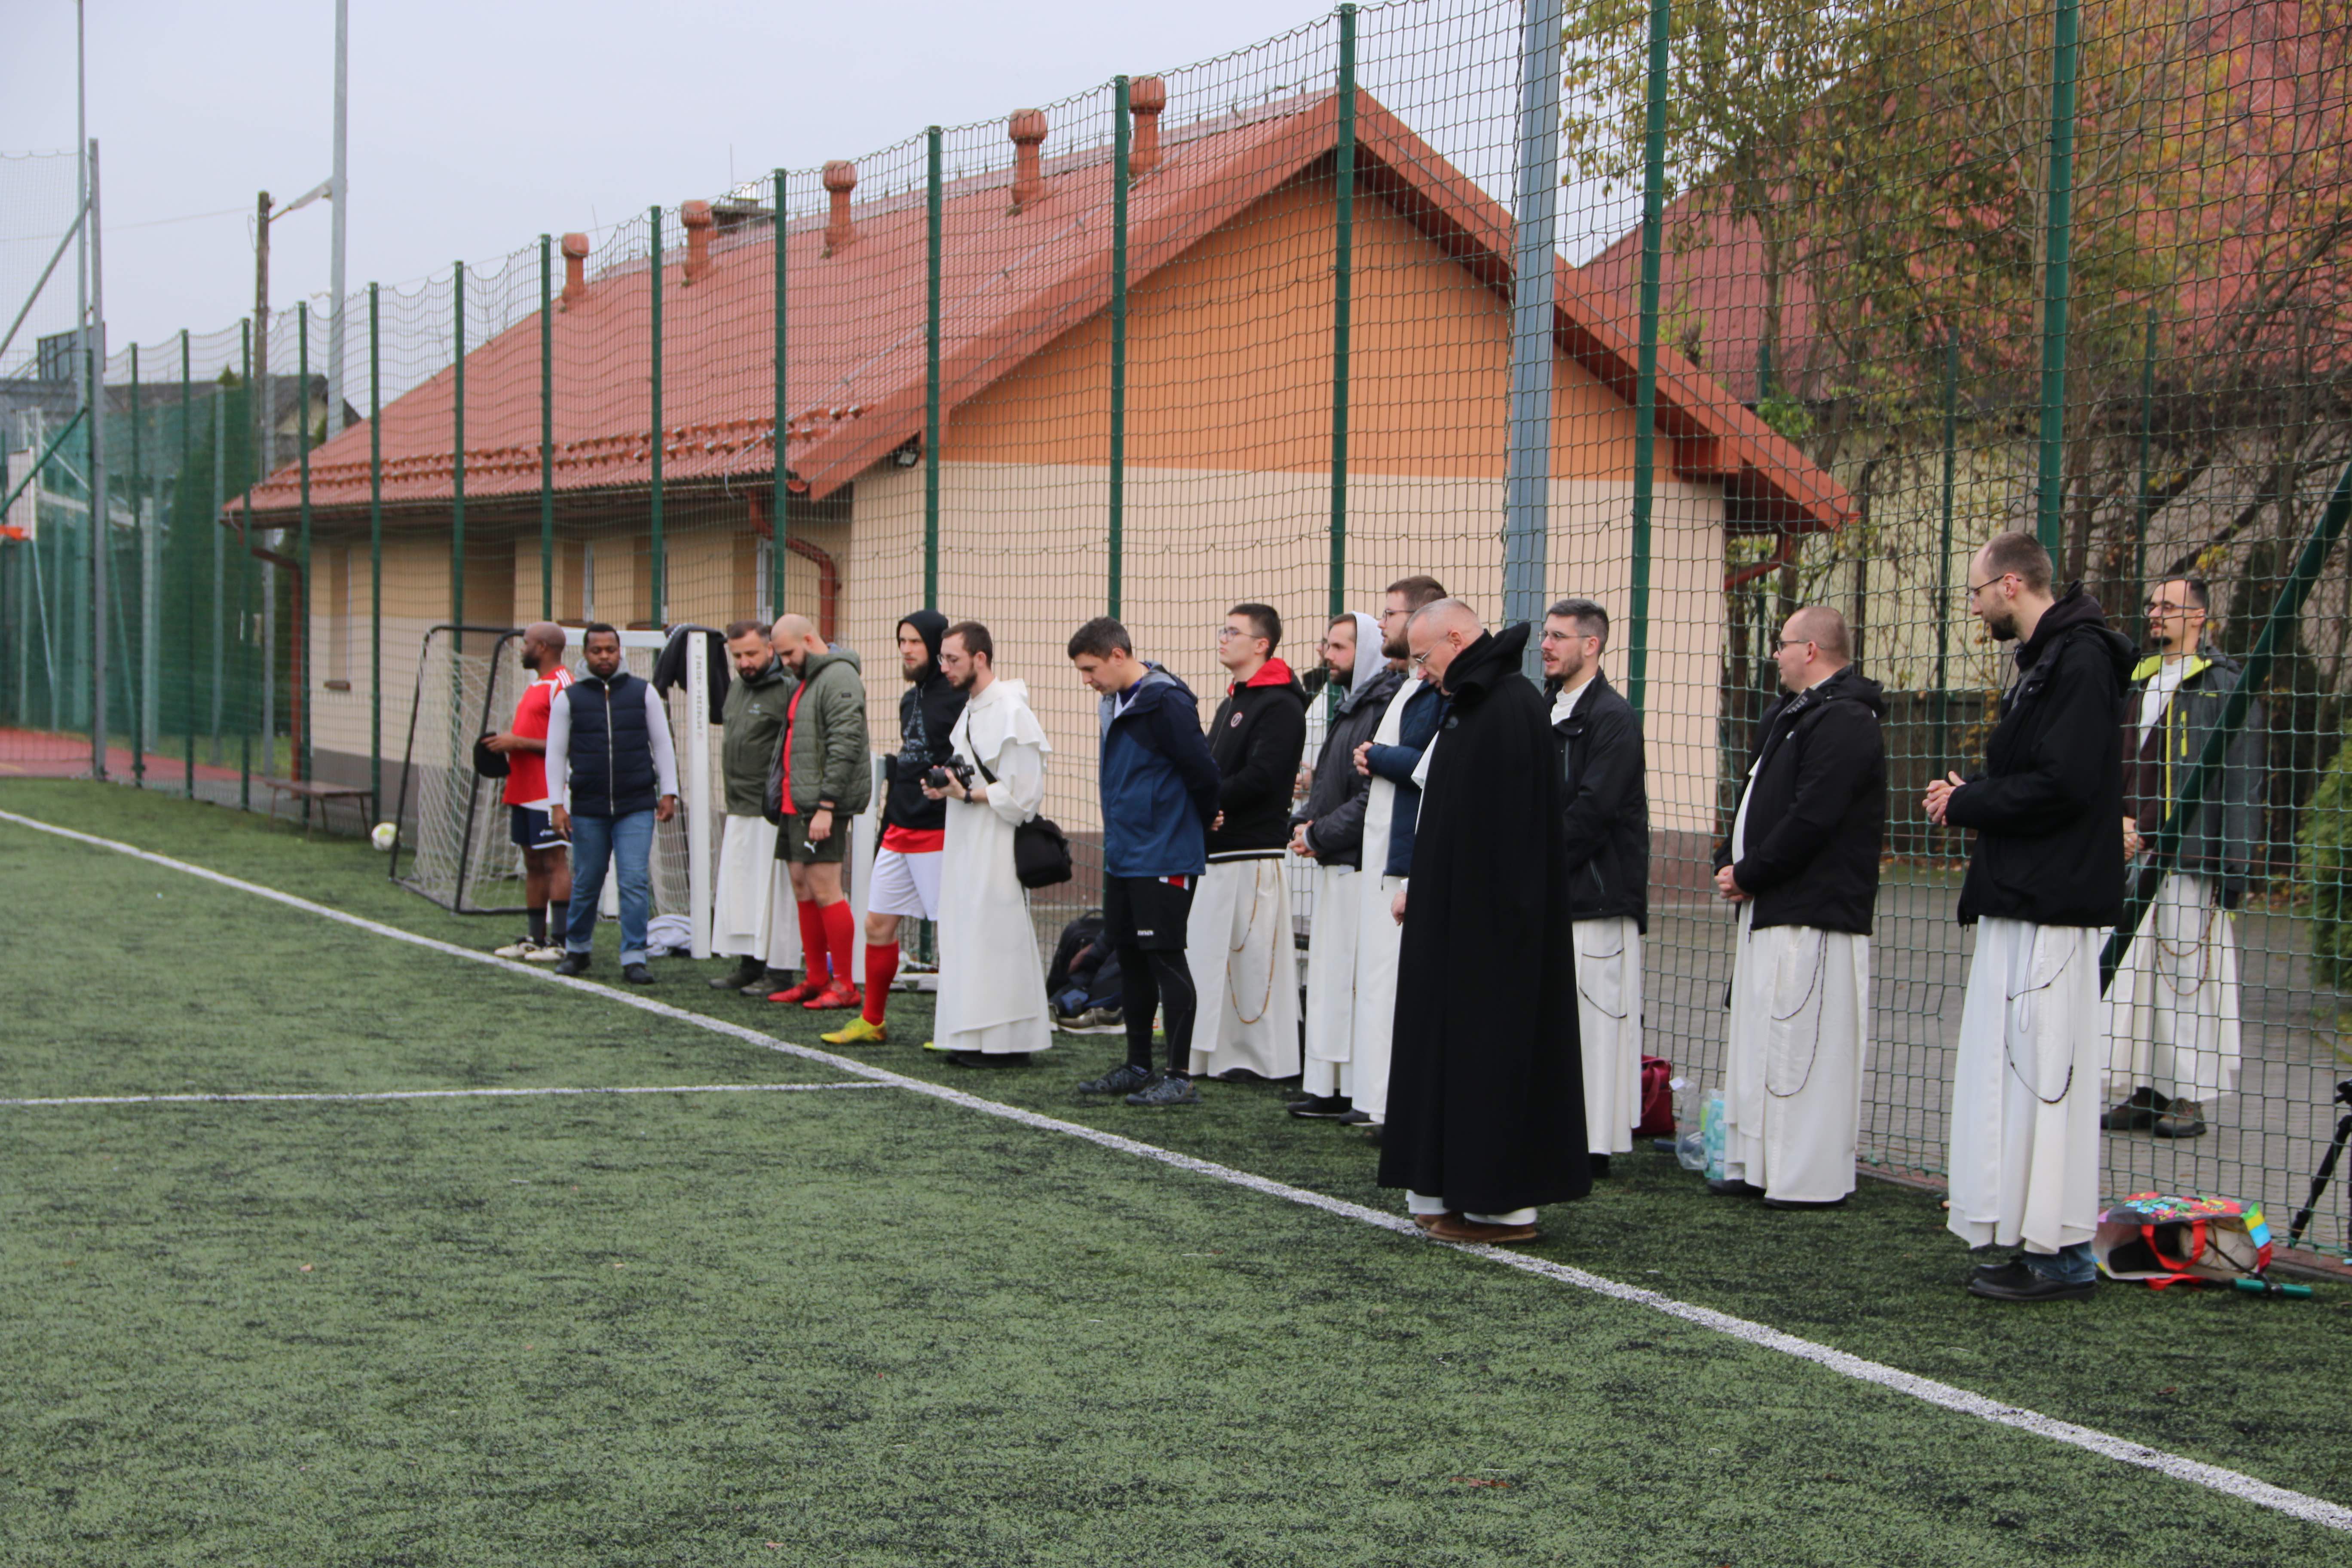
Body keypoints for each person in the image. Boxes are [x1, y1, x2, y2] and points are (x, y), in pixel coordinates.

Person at [1924, 533, 2133, 1302]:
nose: (1975, 606)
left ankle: (2063, 1255)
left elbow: (2064, 783)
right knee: (2014, 1075)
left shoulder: (2078, 659)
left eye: (1978, 592)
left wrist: (1970, 802)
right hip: (2025, 895)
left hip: (2053, 901)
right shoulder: (2047, 660)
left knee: (2046, 1079)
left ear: (2011, 584)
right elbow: (2038, 772)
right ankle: (2032, 1237)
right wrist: (1974, 794)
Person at [1379, 599, 1588, 1243]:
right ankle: (1443, 1187)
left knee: (1490, 1055)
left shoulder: (1506, 706)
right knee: (1445, 1051)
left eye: (1424, 656)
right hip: (1455, 919)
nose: (1421, 671)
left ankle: (1499, 1206)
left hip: (1491, 931)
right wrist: (1424, 885)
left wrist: (1463, 904)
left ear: (1457, 637)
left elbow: (1507, 838)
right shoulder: (1472, 703)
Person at [1711, 606, 1886, 1208]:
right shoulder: (1790, 713)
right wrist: (1729, 860)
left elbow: (1814, 815)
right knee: (1761, 1040)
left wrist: (1752, 871)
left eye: (1782, 644)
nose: (1776, 655)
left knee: (1801, 1046)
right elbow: (1757, 798)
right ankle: (1758, 1165)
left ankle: (1805, 1178)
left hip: (1814, 910)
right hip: (1770, 907)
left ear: (1811, 650)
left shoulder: (1847, 719)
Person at [2104, 576, 2260, 1140]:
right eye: (2152, 605)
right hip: (2129, 851)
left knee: (2187, 974)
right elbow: (2113, 760)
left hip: (2191, 856)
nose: (2156, 614)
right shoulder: (2137, 678)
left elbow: (2242, 780)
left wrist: (2234, 866)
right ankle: (2146, 1090)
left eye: (2168, 606)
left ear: (2199, 617)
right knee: (2134, 973)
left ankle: (2190, 1094)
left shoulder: (2225, 686)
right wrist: (2114, 823)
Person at [1066, 617, 1221, 1107]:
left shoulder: (1166, 701)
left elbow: (1203, 772)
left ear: (1118, 655)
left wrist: (1195, 822)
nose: (1087, 680)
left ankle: (1180, 1077)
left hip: (1164, 853)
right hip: (1125, 854)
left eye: (1090, 669)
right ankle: (1138, 1067)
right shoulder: (1113, 702)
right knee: (1131, 958)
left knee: (1166, 959)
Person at [1542, 597, 1648, 1176]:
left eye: (1559, 637)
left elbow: (1593, 811)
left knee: (1596, 1025)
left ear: (1592, 645)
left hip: (1596, 899)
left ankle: (1593, 1145)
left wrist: (1535, 865)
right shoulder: (1543, 708)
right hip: (1552, 894)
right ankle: (1553, 1133)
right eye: (1546, 635)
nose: (1546, 646)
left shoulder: (1613, 717)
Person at [824, 610, 965, 1045]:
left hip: (939, 833)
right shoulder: (909, 699)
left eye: (915, 642)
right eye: (901, 641)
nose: (906, 649)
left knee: (953, 935)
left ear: (937, 646)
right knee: (877, 925)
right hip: (898, 831)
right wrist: (887, 826)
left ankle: (957, 1028)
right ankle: (873, 1021)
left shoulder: (959, 698)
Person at [920, 622, 1054, 1065]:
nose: (945, 668)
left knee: (997, 937)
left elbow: (1025, 796)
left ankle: (1006, 1044)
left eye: (953, 659)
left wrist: (967, 795)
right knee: (968, 935)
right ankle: (972, 1037)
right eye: (942, 659)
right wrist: (947, 787)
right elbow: (973, 777)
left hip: (996, 844)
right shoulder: (973, 709)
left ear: (980, 658)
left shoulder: (1012, 711)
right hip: (967, 841)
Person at [1346, 575, 1451, 1139]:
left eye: (1391, 613)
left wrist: (1377, 756)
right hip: (1382, 850)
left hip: (1406, 857)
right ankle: (1375, 1099)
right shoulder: (1408, 685)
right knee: (1376, 981)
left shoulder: (1441, 693)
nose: (1382, 622)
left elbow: (1435, 764)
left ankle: (1397, 1107)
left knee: (1395, 983)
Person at [1186, 603, 1309, 1082]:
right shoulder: (1233, 702)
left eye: (1233, 632)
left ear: (1262, 644)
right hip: (1218, 850)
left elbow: (1265, 777)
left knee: (1252, 961)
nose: (1223, 637)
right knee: (1212, 958)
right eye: (1223, 629)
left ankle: (1260, 1060)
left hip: (1252, 852)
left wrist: (1211, 801)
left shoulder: (1280, 704)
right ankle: (1214, 1053)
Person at [1284, 610, 1399, 1118]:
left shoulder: (1381, 704)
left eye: (1339, 647)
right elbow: (1334, 784)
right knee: (1332, 982)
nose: (1326, 655)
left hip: (1361, 867)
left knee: (1355, 984)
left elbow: (1371, 797)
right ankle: (1329, 1085)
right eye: (1326, 645)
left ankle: (1355, 1090)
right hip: (1337, 863)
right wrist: (1304, 823)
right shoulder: (1350, 703)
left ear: (1366, 650)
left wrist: (1319, 833)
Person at [546, 623, 680, 984]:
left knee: (634, 881)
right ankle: (577, 950)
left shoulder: (644, 692)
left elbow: (662, 744)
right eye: (597, 651)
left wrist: (669, 792)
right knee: (587, 880)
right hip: (588, 807)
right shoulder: (569, 698)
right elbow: (555, 753)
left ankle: (635, 957)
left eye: (610, 650)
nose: (604, 656)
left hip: (636, 804)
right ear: (585, 654)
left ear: (620, 652)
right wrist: (556, 804)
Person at [763, 613, 871, 1011]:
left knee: (826, 889)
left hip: (819, 805)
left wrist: (827, 805)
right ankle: (815, 979)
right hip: (796, 802)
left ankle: (845, 985)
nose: (785, 662)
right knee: (802, 886)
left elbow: (846, 742)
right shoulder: (806, 680)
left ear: (809, 640)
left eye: (789, 653)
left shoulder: (839, 676)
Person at [707, 620, 802, 995]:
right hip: (738, 806)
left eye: (751, 653)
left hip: (772, 809)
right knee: (742, 890)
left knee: (776, 895)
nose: (744, 662)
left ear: (770, 649)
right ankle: (750, 965)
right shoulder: (736, 687)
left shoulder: (789, 688)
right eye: (738, 656)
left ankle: (780, 972)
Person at [483, 621, 572, 962]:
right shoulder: (537, 684)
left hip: (548, 791)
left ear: (543, 647)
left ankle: (561, 942)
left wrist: (517, 742)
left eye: (526, 643)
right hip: (521, 788)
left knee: (555, 860)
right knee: (532, 862)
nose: (522, 649)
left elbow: (572, 742)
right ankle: (535, 938)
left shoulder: (563, 684)